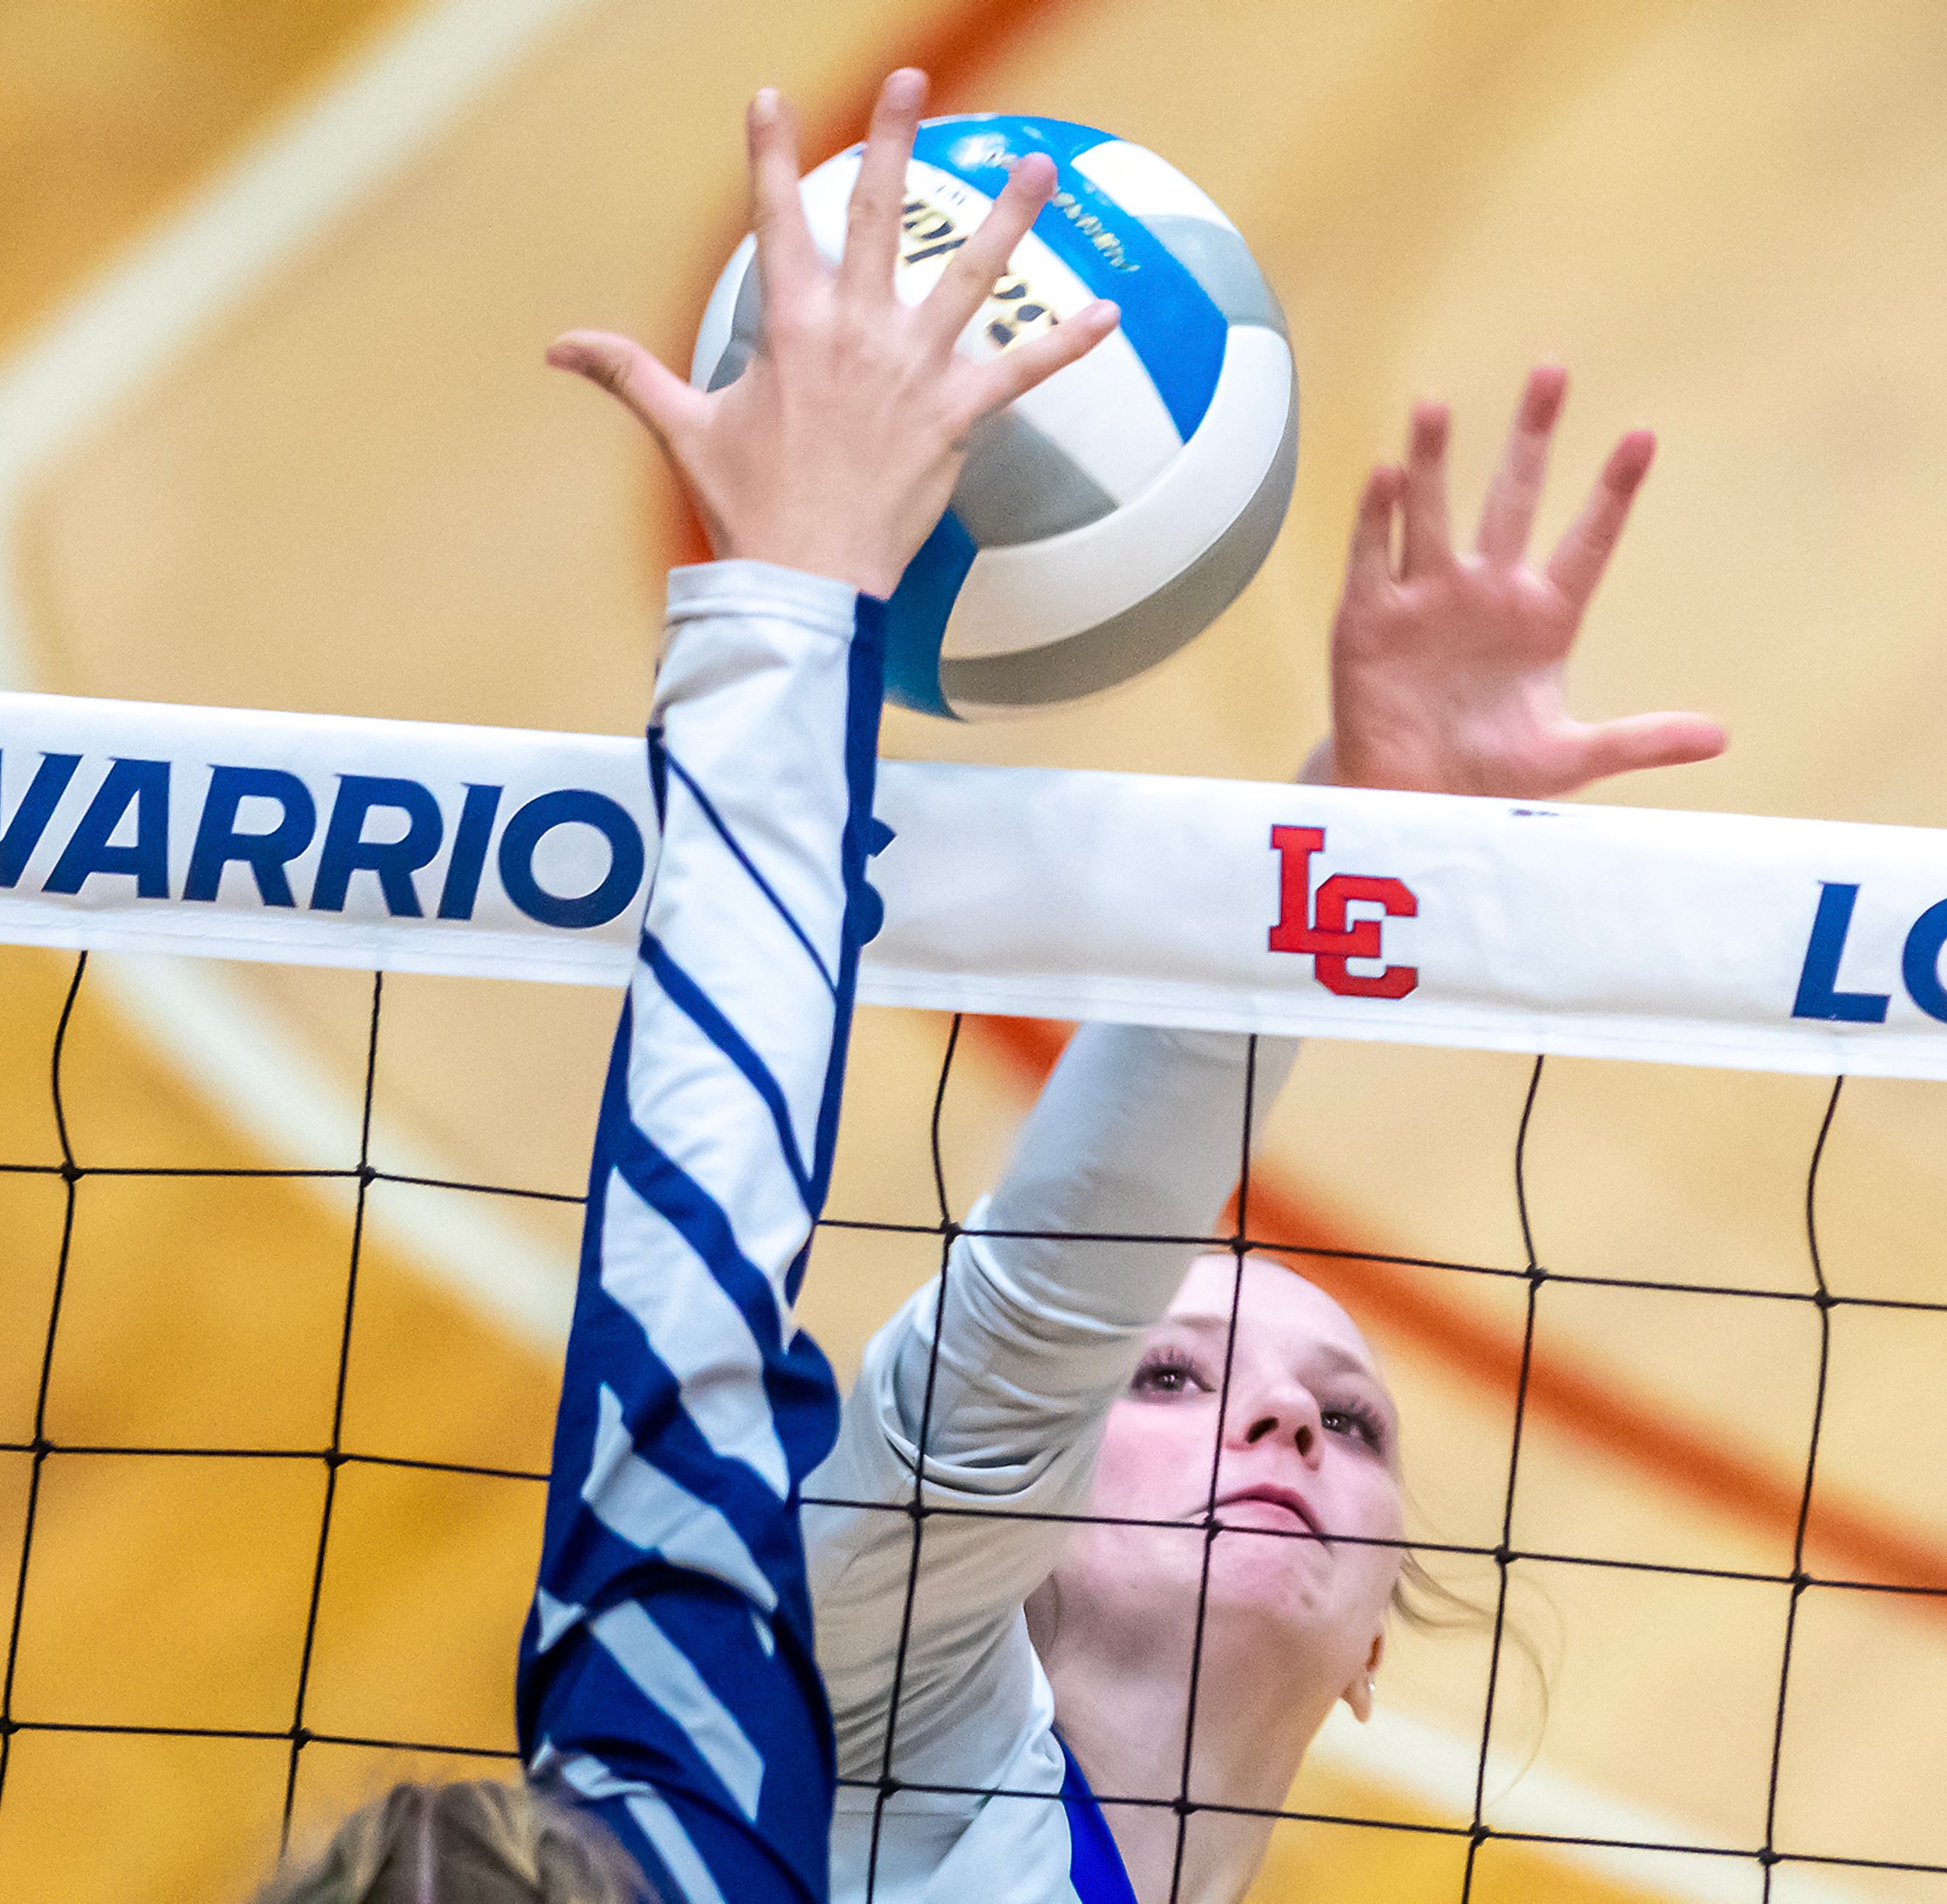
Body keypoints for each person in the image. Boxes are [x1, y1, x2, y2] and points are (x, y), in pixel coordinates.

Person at [258, 65, 1722, 1904]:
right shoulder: (855, 1689)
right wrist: (1339, 838)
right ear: (997, 1556)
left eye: (1346, 1419)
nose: (1282, 1427)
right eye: (1175, 1376)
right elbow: (1032, 1325)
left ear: (1375, 1659)